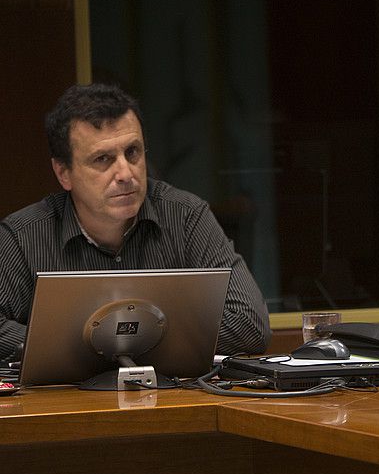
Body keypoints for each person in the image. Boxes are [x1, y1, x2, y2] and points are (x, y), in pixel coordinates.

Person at [0, 84, 271, 360]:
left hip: (170, 398)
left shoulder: (185, 216)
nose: (125, 173)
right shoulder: (24, 236)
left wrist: (108, 344)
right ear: (63, 173)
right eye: (103, 159)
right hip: (68, 402)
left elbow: (250, 324)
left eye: (132, 152)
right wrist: (103, 344)